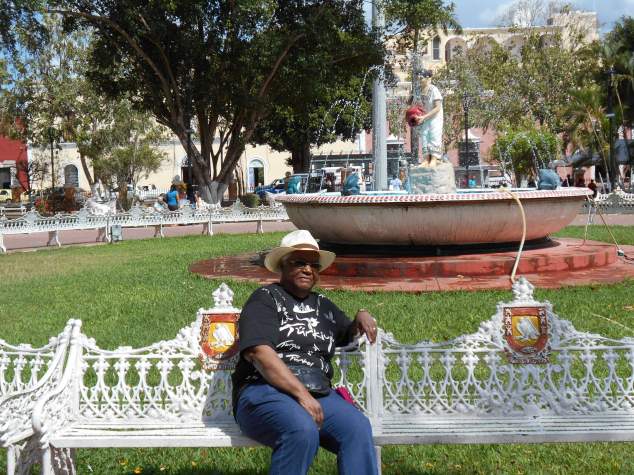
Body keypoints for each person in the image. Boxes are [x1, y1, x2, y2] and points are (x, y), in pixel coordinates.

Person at [232, 230, 379, 475]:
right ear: (282, 265)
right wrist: (302, 395)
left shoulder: (323, 306)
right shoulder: (264, 299)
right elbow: (259, 354)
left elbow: (347, 333)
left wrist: (361, 315)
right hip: (263, 390)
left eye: (314, 265)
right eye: (299, 262)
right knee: (301, 429)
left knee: (357, 429)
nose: (308, 269)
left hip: (317, 392)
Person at [409, 69, 443, 167]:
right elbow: (412, 103)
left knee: (434, 135)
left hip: (435, 118)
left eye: (421, 77)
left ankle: (434, 158)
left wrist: (424, 116)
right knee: (424, 136)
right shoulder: (417, 90)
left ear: (427, 78)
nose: (419, 79)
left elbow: (438, 107)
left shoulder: (434, 90)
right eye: (418, 77)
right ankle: (426, 159)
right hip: (423, 117)